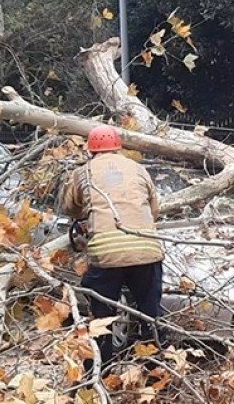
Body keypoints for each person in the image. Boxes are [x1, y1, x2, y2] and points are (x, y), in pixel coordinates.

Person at [61, 125, 164, 367]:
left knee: (101, 320)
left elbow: (69, 208)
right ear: (119, 147)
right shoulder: (138, 169)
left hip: (106, 255)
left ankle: (99, 373)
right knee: (151, 314)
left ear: (91, 150)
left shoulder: (83, 172)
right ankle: (157, 371)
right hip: (146, 251)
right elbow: (155, 209)